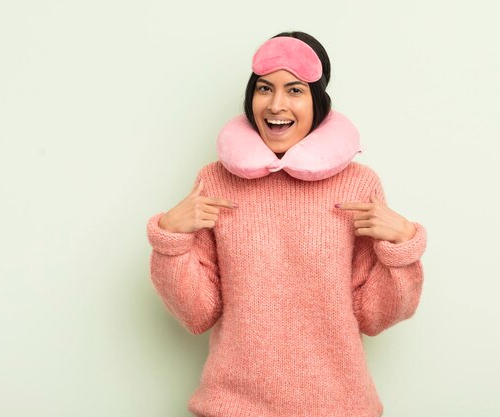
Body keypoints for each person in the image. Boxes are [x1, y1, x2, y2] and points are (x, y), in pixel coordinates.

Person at [146, 31, 427, 417]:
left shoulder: (359, 184)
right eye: (264, 88)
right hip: (232, 406)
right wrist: (171, 239)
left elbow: (375, 316)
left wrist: (402, 247)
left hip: (337, 405)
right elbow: (198, 314)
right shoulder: (213, 181)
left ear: (317, 102)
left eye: (295, 90)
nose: (276, 105)